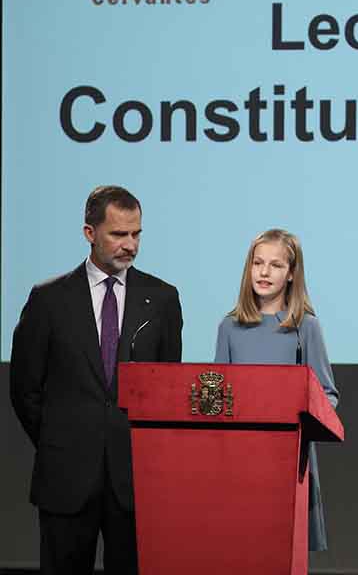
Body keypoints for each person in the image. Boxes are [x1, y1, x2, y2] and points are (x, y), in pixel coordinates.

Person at [9, 185, 183, 575]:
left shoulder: (163, 299)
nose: (130, 245)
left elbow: (165, 389)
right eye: (118, 234)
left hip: (134, 481)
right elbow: (25, 389)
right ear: (90, 233)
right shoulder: (48, 299)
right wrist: (63, 440)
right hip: (66, 477)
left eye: (136, 233)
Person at [214, 228, 339, 552]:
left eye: (275, 265)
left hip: (287, 462)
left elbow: (328, 394)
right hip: (240, 464)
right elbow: (217, 398)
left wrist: (304, 422)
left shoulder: (305, 327)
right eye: (258, 263)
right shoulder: (229, 327)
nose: (264, 272)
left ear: (291, 273)